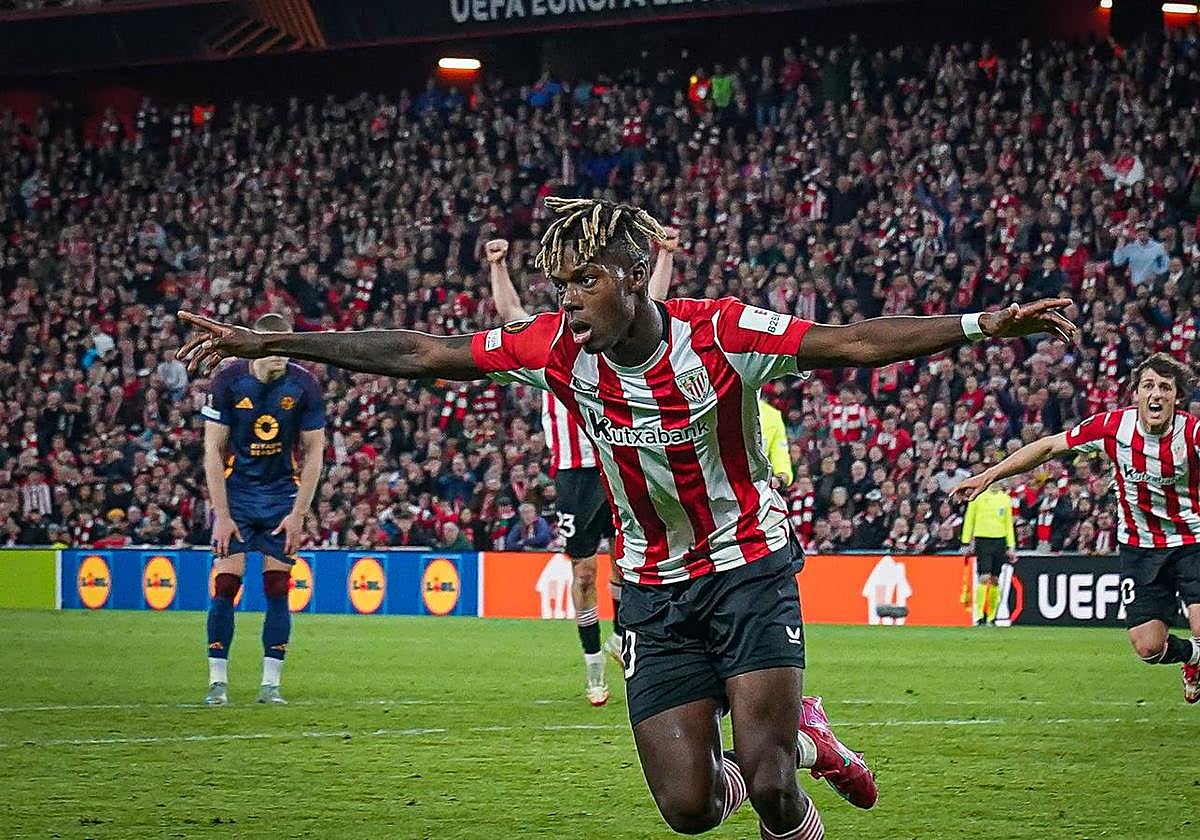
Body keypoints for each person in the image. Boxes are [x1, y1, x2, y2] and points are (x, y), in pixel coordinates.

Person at [179, 197, 1075, 838]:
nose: (566, 300)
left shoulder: (720, 333)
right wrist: (273, 342)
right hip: (649, 589)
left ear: (635, 276)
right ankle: (792, 736)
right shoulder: (553, 349)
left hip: (747, 565)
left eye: (584, 282)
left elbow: (850, 341)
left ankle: (795, 759)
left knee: (767, 788)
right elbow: (421, 351)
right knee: (689, 812)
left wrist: (985, 325)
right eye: (559, 285)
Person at [486, 230, 678, 705]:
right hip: (573, 473)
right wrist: (496, 265)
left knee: (631, 560)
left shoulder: (608, 337)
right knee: (586, 572)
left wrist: (665, 255)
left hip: (620, 459)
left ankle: (624, 638)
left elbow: (648, 303)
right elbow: (510, 318)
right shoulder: (551, 348)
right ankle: (594, 667)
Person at [955, 352, 1200, 704]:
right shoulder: (1113, 428)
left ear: (1177, 398)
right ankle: (1192, 658)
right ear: (1135, 394)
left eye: (1165, 387)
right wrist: (990, 474)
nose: (1156, 394)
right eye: (1148, 386)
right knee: (1149, 647)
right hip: (1140, 546)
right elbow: (1049, 447)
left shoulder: (1191, 434)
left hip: (1192, 539)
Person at [200, 313, 326, 706]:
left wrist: (299, 513)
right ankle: (217, 682)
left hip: (279, 498)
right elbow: (212, 452)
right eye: (273, 350)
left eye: (285, 350)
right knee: (226, 585)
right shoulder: (227, 381)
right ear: (257, 345)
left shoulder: (304, 385)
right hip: (236, 496)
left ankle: (270, 685)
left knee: (277, 588)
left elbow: (314, 453)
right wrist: (221, 515)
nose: (281, 358)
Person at [960, 481, 1016, 626]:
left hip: (1000, 540)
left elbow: (1008, 523)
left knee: (995, 579)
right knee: (984, 577)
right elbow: (969, 519)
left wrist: (1011, 545)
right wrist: (966, 541)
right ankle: (979, 616)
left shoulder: (1005, 499)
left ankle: (991, 617)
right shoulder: (978, 497)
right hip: (983, 540)